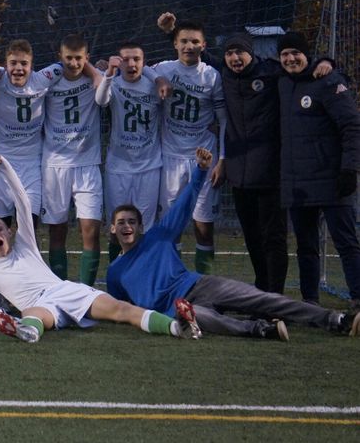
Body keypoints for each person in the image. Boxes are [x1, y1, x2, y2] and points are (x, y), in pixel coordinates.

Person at [108, 147, 359, 339]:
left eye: (132, 221)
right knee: (204, 317)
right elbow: (120, 307)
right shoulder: (115, 273)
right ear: (112, 229)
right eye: (121, 222)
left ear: (141, 226)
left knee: (266, 299)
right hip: (177, 309)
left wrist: (201, 170)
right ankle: (260, 330)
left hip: (199, 285)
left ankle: (336, 319)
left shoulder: (158, 236)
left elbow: (184, 205)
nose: (127, 226)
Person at [0, 154, 198, 343]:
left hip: (64, 290)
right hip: (39, 306)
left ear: (9, 231)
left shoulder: (24, 244)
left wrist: (4, 167)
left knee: (120, 310)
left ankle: (178, 327)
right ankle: (27, 332)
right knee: (32, 313)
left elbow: (23, 202)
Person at [277, 31, 360, 307]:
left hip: (332, 179)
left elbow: (352, 126)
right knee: (306, 247)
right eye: (285, 54)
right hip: (298, 184)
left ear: (306, 54)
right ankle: (309, 301)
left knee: (347, 243)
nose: (290, 58)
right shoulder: (281, 83)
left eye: (295, 53)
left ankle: (358, 297)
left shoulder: (327, 80)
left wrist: (350, 170)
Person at [151, 19, 226, 275]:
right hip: (171, 157)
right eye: (184, 41)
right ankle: (174, 278)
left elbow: (223, 120)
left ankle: (205, 283)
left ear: (203, 45)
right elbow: (142, 71)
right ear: (175, 43)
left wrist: (222, 159)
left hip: (204, 158)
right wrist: (159, 78)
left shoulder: (211, 75)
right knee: (172, 225)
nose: (189, 46)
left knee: (203, 226)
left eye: (195, 41)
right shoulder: (163, 68)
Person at [218, 32, 289, 293]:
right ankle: (262, 287)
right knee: (252, 237)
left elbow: (300, 65)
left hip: (270, 173)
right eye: (229, 53)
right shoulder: (223, 75)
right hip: (239, 175)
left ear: (251, 52)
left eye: (240, 52)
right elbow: (194, 55)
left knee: (274, 237)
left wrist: (326, 63)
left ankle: (275, 295)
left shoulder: (271, 72)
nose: (235, 58)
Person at [37, 35, 105, 284]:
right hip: (54, 165)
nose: (74, 63)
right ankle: (59, 289)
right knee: (57, 230)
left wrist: (97, 72)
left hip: (87, 164)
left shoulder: (96, 80)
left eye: (79, 58)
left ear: (86, 58)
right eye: (69, 58)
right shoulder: (48, 82)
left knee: (91, 230)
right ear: (60, 58)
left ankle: (86, 292)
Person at [0, 40, 63, 229]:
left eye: (24, 64)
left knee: (29, 225)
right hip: (0, 159)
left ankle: (30, 260)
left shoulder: (43, 79)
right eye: (13, 63)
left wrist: (96, 68)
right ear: (6, 64)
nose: (18, 68)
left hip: (32, 162)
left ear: (32, 66)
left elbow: (67, 63)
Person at [94, 42, 161, 261]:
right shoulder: (114, 83)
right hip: (118, 166)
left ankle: (143, 277)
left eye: (137, 59)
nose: (132, 64)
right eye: (126, 60)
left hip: (149, 166)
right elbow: (101, 101)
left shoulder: (154, 82)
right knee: (118, 225)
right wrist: (109, 74)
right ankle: (116, 277)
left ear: (144, 62)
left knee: (146, 227)